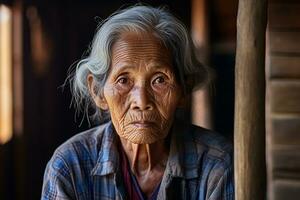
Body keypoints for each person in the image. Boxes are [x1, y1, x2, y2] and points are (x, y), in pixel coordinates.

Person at [41, 5, 234, 200]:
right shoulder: (69, 167)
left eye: (159, 80)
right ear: (98, 92)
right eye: (123, 80)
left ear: (184, 90)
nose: (141, 102)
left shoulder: (217, 165)